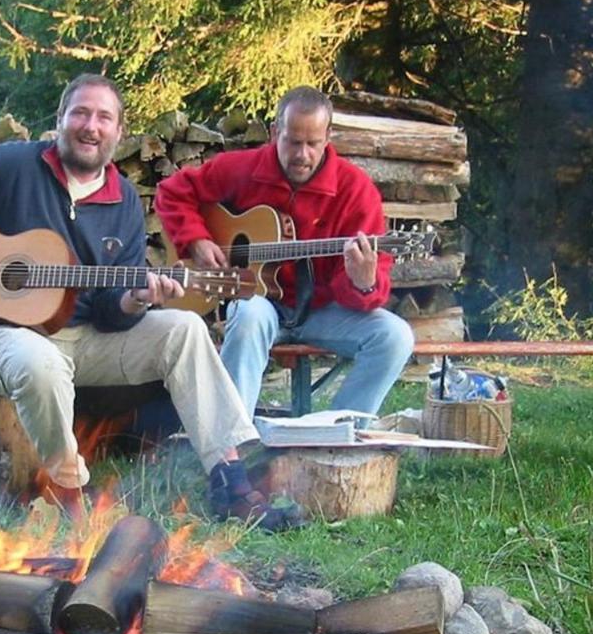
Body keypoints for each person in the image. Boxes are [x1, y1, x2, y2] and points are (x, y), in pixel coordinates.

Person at [0, 74, 301, 531]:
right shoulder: (10, 166)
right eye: (81, 113)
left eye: (104, 117)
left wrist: (134, 299)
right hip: (2, 334)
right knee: (39, 362)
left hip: (88, 340)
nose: (91, 126)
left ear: (119, 132)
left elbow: (111, 310)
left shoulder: (123, 200)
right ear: (60, 120)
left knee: (184, 329)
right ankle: (68, 490)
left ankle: (231, 481)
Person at [154, 86, 414, 418]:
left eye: (313, 144)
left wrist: (363, 283)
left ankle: (338, 432)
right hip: (262, 304)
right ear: (276, 132)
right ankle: (233, 443)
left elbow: (369, 291)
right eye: (293, 141)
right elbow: (172, 191)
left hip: (323, 311)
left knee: (395, 336)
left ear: (328, 138)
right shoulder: (243, 168)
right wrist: (196, 239)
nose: (302, 154)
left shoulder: (356, 191)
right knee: (248, 316)